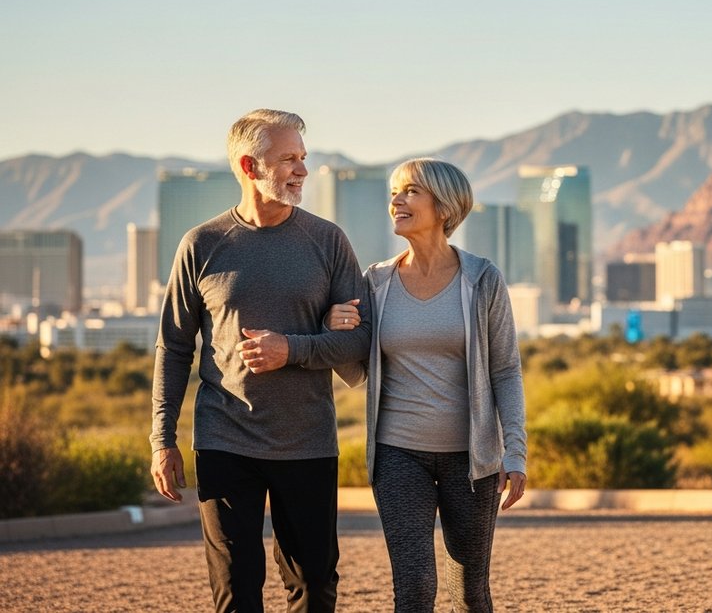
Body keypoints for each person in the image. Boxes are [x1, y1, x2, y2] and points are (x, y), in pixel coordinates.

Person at [149, 109, 371, 613]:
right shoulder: (201, 245)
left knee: (314, 587)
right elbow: (174, 349)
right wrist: (162, 440)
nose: (302, 170)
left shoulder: (328, 240)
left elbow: (359, 345)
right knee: (235, 590)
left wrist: (291, 348)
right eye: (288, 159)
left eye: (303, 158)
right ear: (250, 166)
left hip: (308, 441)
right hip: (224, 439)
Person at [326, 157, 527, 612]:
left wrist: (514, 450)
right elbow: (357, 372)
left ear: (445, 205)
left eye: (410, 191)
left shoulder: (482, 279)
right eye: (394, 192)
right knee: (414, 587)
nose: (396, 200)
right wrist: (338, 335)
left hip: (472, 459)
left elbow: (505, 370)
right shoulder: (375, 282)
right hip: (397, 454)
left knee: (469, 590)